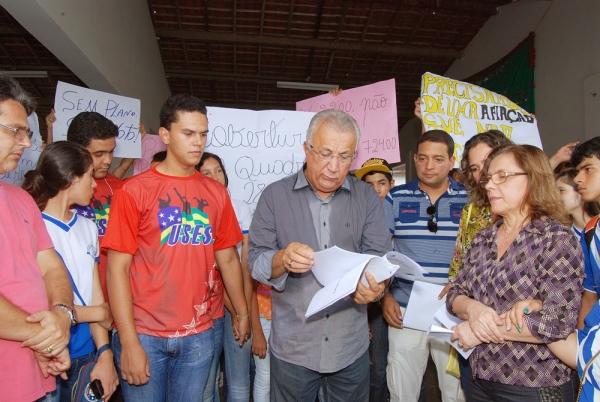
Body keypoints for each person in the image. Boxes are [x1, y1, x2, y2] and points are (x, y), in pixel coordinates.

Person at [103, 94, 250, 401]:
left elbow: (228, 260)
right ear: (166, 135)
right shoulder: (134, 191)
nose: (198, 142)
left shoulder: (216, 193)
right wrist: (128, 342)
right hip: (143, 333)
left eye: (203, 134)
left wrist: (242, 312)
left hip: (199, 334)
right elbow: (117, 269)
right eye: (188, 133)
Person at [248, 108, 392, 402]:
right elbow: (255, 262)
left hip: (348, 346)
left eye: (344, 156)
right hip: (294, 347)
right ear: (306, 149)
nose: (334, 167)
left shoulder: (366, 198)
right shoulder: (275, 196)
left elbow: (380, 258)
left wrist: (377, 287)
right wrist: (281, 259)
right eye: (325, 153)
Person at [447, 144, 583, 401]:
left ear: (533, 180)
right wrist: (474, 310)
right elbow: (455, 293)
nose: (488, 186)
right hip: (480, 378)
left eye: (502, 177)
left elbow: (557, 322)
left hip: (534, 384)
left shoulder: (555, 238)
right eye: (488, 178)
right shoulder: (482, 239)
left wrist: (478, 330)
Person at [22, 141, 119, 401]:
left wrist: (105, 353)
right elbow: (36, 310)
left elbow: (95, 296)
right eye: (90, 176)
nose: (96, 184)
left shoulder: (87, 227)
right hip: (45, 356)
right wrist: (96, 312)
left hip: (88, 353)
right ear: (72, 179)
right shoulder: (30, 226)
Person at [0, 73, 73, 401]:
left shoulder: (20, 199)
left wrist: (61, 313)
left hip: (37, 377)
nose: (26, 143)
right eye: (15, 132)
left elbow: (51, 267)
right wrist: (48, 337)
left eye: (28, 134)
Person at [383, 130, 468, 402]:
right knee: (402, 391)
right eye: (423, 158)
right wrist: (383, 296)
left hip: (455, 311)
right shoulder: (394, 198)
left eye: (438, 159)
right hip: (405, 309)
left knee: (456, 393)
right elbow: (380, 254)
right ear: (415, 159)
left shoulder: (470, 201)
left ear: (452, 161)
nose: (429, 166)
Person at [197, 152, 255, 402]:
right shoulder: (194, 211)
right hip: (207, 304)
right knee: (206, 384)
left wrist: (239, 311)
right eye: (206, 172)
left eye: (218, 170)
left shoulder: (240, 207)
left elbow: (242, 262)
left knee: (239, 381)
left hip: (236, 299)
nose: (214, 176)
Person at [66, 111, 123, 302]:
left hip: (114, 297)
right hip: (71, 300)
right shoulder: (56, 191)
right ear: (76, 150)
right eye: (99, 154)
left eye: (111, 151)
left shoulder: (123, 189)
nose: (107, 161)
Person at [355, 157, 395, 402]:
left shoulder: (399, 213)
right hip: (365, 303)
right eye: (369, 185)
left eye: (381, 183)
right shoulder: (355, 217)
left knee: (390, 364)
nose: (376, 190)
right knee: (371, 365)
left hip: (394, 300)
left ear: (391, 185)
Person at [572, 137, 600, 329]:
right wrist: (582, 349)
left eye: (588, 169)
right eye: (578, 171)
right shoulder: (590, 232)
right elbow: (589, 298)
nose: (577, 178)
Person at [556, 168, 600, 239]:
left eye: (561, 190)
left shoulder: (597, 226)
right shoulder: (565, 236)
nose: (555, 197)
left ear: (580, 191)